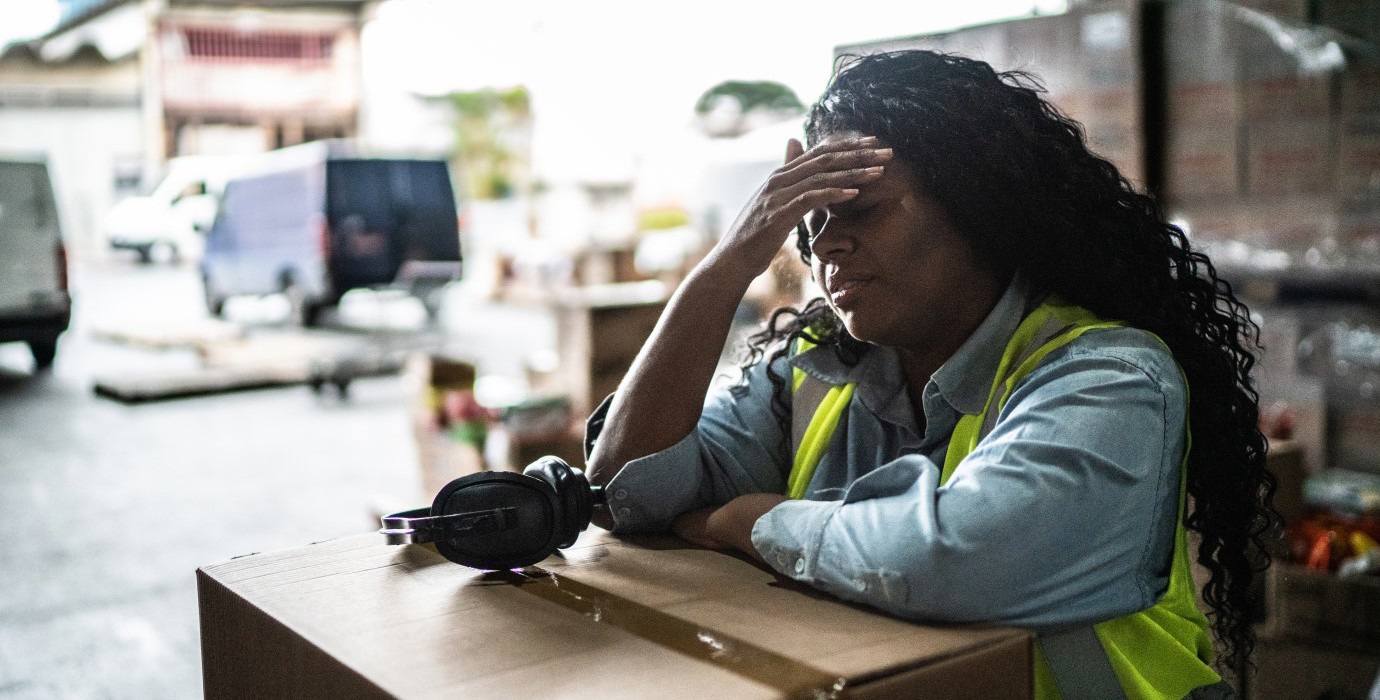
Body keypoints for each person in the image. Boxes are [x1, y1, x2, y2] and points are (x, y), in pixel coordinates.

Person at [584, 49, 1277, 700]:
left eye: (860, 209)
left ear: (980, 206)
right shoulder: (817, 371)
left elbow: (950, 560)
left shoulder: (1111, 376)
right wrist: (729, 262)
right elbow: (627, 491)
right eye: (810, 221)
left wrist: (749, 521)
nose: (824, 243)